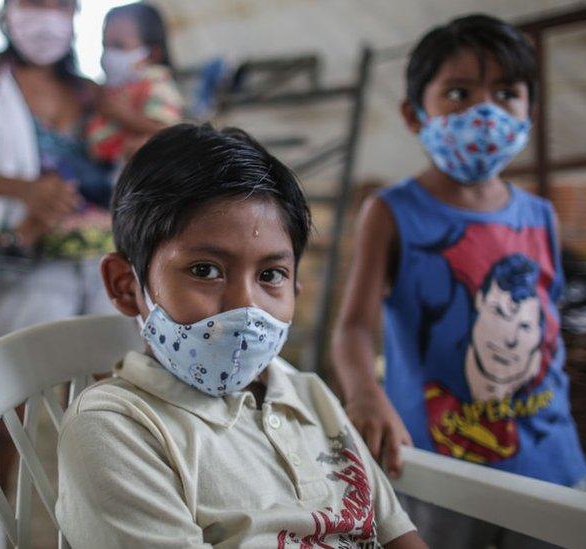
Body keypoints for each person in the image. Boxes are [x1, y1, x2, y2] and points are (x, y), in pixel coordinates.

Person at [56, 124, 426, 548]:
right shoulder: (118, 427)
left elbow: (400, 537)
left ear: (295, 290)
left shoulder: (307, 395)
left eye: (271, 275)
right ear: (126, 285)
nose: (244, 306)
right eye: (205, 270)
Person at [331, 14, 586, 548]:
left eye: (505, 93)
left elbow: (549, 330)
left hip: (552, 465)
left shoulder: (540, 216)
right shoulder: (392, 212)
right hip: (441, 473)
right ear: (413, 114)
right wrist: (364, 393)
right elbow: (354, 327)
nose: (485, 110)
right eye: (458, 92)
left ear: (529, 112)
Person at [0, 0, 116, 342]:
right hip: (25, 263)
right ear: (8, 10)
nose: (47, 15)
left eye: (59, 5)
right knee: (30, 377)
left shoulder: (90, 92)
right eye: (34, 2)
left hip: (106, 266)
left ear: (74, 14)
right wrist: (24, 189)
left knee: (110, 376)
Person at [88, 2, 184, 165]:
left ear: (152, 54)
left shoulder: (157, 84)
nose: (108, 54)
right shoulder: (114, 88)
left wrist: (123, 115)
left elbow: (169, 132)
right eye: (105, 45)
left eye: (119, 45)